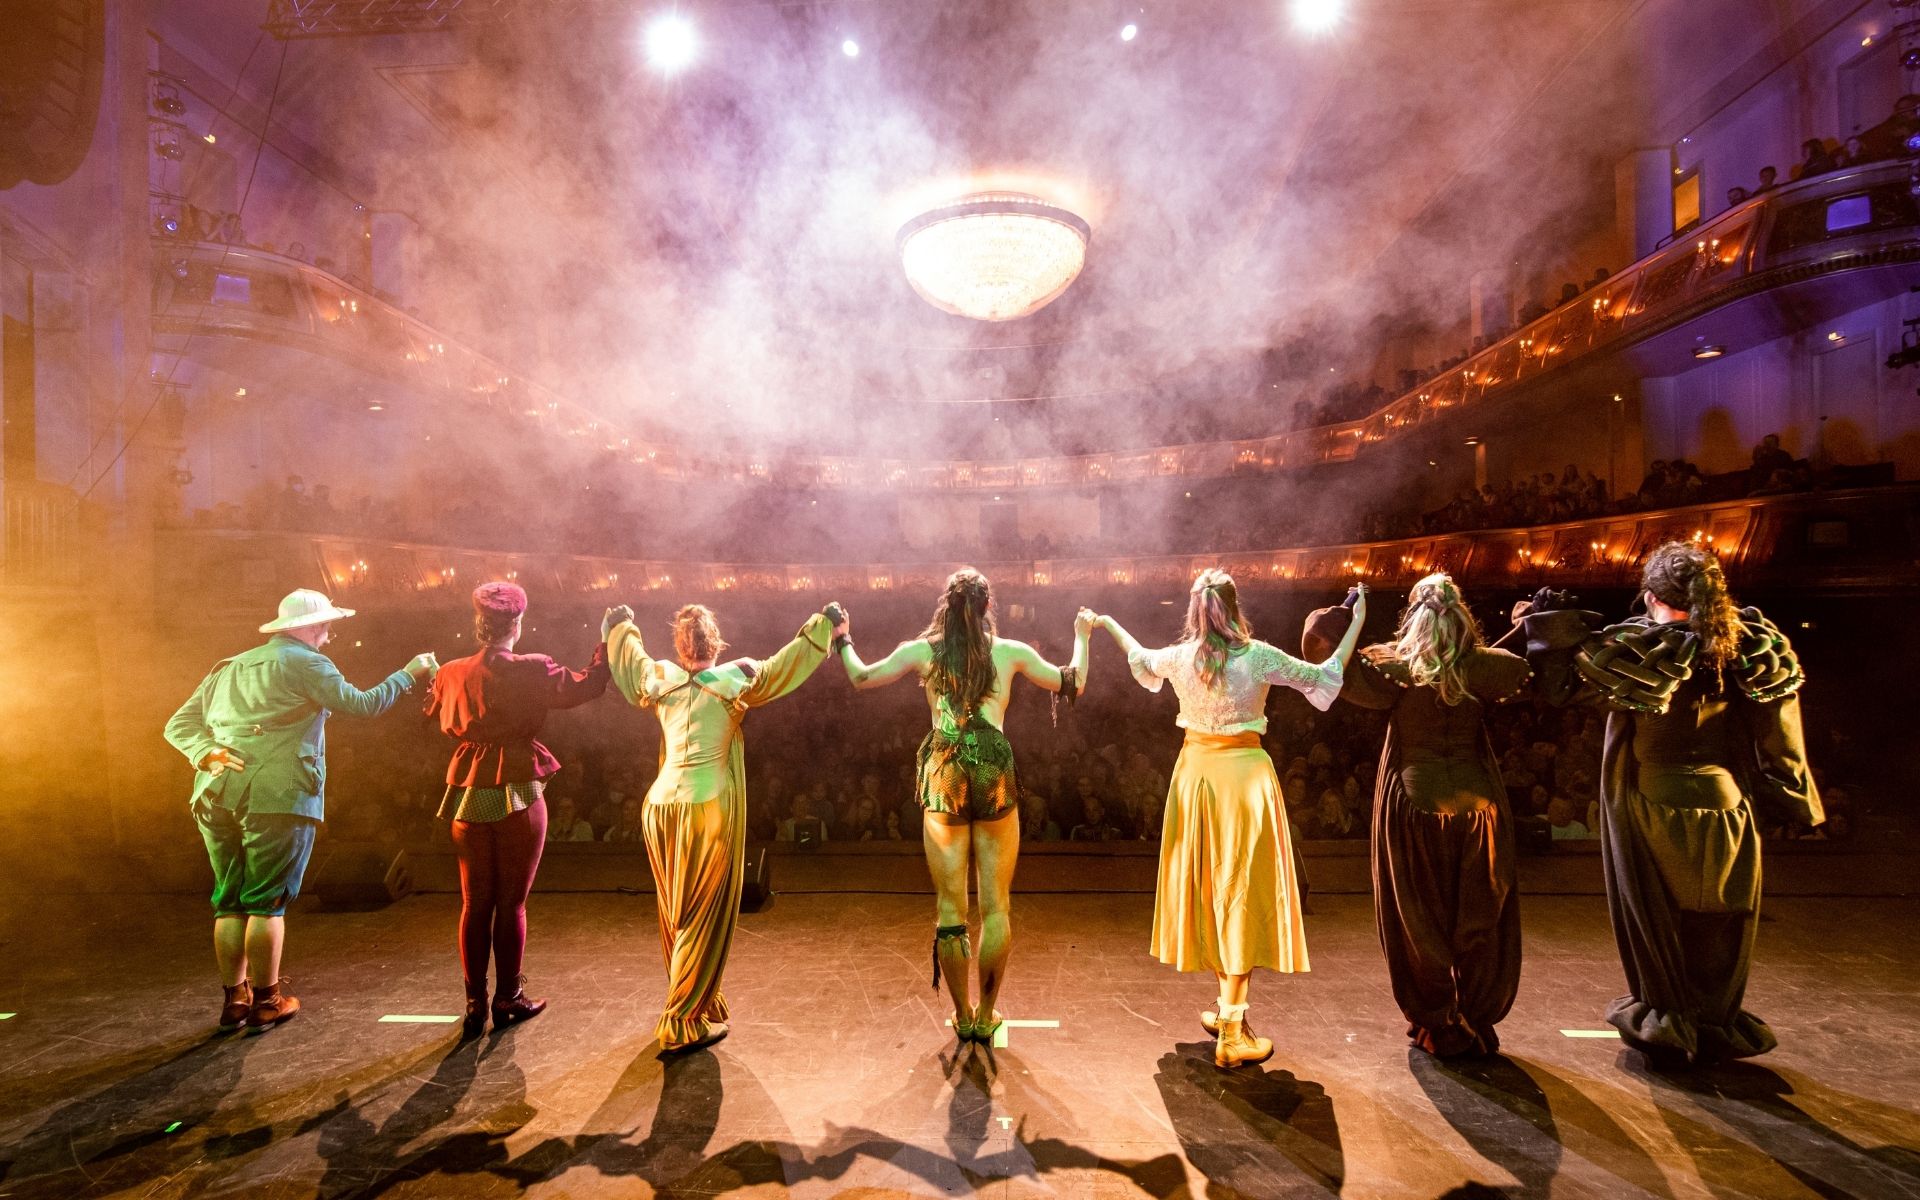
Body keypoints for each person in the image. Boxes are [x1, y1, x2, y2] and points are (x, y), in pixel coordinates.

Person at [1522, 542, 1822, 1065]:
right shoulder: (1751, 645)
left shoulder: (1640, 650)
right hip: (1727, 803)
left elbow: (1562, 686)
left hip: (1654, 801)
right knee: (1717, 920)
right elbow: (1783, 739)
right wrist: (1794, 799)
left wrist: (1547, 622)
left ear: (1651, 595)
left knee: (1658, 916)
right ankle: (1711, 1021)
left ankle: (1667, 1021)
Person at [1095, 570, 1363, 1069]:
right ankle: (1233, 1033)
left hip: (1196, 779)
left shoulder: (1180, 658)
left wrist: (1109, 623)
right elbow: (1326, 674)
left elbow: (1140, 658)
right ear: (1235, 607)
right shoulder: (1257, 656)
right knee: (1239, 895)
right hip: (1242, 783)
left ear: (1194, 610)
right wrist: (1358, 621)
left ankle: (1227, 1011)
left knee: (1212, 894)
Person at [834, 569, 1094, 1046]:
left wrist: (843, 637)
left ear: (947, 606)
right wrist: (1081, 636)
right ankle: (988, 1014)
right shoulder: (1010, 652)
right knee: (996, 907)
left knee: (950, 907)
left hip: (946, 769)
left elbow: (860, 677)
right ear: (986, 605)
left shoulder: (923, 651)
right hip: (992, 767)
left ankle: (963, 1015)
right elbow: (1072, 683)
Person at [164, 589, 436, 1033]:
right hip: (277, 794)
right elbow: (364, 704)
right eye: (326, 628)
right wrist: (409, 674)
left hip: (215, 794)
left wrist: (206, 753)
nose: (328, 637)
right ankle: (268, 1001)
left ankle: (235, 999)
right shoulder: (307, 662)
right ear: (310, 627)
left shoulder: (228, 666)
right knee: (266, 903)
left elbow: (179, 725)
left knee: (228, 901)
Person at [1303, 574, 1530, 1058]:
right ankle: (1474, 1014)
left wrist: (1347, 617)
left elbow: (1329, 663)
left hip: (1417, 805)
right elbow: (1528, 671)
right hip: (1480, 809)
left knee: (1420, 917)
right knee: (1478, 914)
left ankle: (1439, 1020)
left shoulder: (1398, 668)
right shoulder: (1485, 667)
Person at [606, 599, 838, 1053]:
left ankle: (698, 997)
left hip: (658, 806)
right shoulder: (736, 677)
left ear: (678, 643)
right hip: (705, 806)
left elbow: (630, 660)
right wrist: (824, 624)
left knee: (676, 910)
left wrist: (621, 627)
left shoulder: (660, 677)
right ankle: (681, 1020)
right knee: (702, 916)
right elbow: (786, 664)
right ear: (716, 641)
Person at [426, 581, 610, 1037]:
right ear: (518, 624)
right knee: (511, 903)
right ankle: (507, 997)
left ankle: (474, 1003)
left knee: (474, 903)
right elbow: (587, 686)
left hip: (467, 789)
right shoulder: (531, 667)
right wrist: (607, 643)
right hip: (516, 788)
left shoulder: (450, 670)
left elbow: (431, 710)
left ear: (478, 623)